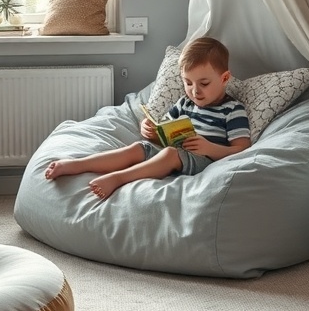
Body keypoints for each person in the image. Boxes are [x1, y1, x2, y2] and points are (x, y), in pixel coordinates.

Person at [45, 36, 251, 200]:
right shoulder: (184, 104)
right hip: (173, 154)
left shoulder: (232, 109)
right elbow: (164, 133)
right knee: (138, 148)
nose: (194, 91)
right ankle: (76, 164)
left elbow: (241, 150)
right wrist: (151, 131)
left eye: (204, 83)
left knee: (170, 154)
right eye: (188, 83)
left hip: (204, 162)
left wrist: (210, 148)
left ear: (224, 78)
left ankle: (119, 178)